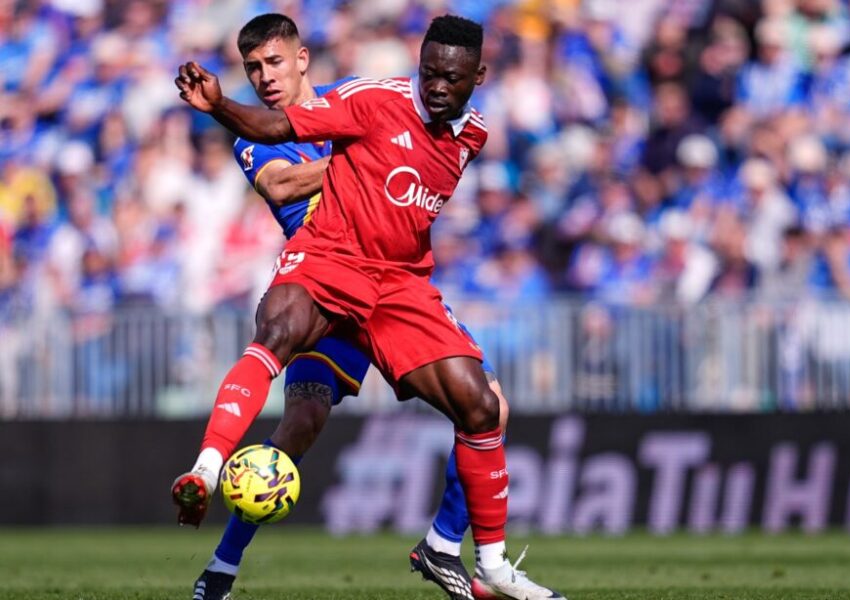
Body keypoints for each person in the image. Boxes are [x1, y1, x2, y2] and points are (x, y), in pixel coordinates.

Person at [174, 13, 564, 600]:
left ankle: (446, 545)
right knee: (300, 423)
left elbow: (417, 168)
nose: (264, 77)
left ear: (302, 59)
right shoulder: (256, 134)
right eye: (253, 68)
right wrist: (366, 156)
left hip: (392, 283)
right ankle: (221, 564)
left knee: (491, 407)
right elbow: (281, 186)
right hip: (325, 282)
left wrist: (372, 152)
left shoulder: (357, 99)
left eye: (273, 62)